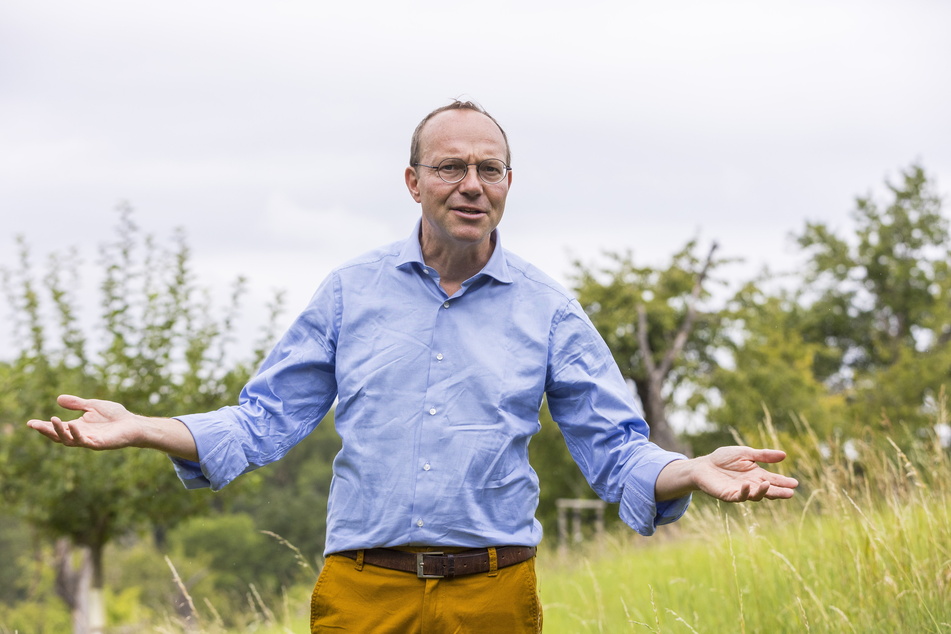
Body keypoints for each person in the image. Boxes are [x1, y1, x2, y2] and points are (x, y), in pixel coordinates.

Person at [28, 100, 799, 633]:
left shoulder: (547, 310)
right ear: (413, 182)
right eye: (451, 167)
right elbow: (264, 420)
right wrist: (146, 430)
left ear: (507, 185)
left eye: (489, 169)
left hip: (494, 595)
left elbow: (617, 449)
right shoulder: (349, 292)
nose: (472, 184)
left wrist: (689, 470)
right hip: (365, 592)